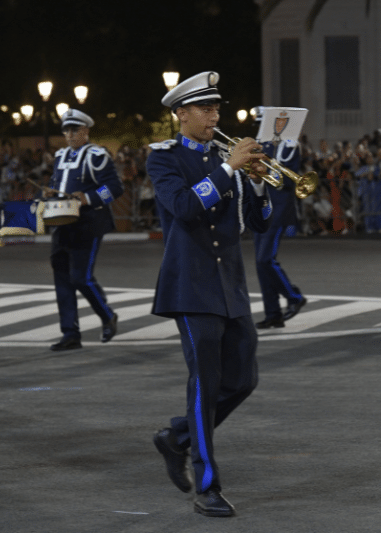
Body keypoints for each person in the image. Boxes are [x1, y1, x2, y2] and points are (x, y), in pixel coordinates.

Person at [146, 71, 271, 518]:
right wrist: (229, 168)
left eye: (216, 108)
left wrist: (257, 180)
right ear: (181, 114)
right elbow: (181, 208)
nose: (213, 116)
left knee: (245, 378)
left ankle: (176, 437)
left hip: (230, 285)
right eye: (204, 109)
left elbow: (258, 223)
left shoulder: (226, 159)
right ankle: (207, 484)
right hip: (191, 285)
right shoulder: (164, 158)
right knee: (206, 384)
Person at [43, 109, 124, 351]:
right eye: (66, 130)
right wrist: (50, 193)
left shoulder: (96, 155)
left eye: (74, 130)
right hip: (62, 225)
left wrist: (87, 198)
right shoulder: (60, 156)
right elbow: (59, 183)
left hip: (88, 225)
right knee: (62, 279)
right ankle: (70, 333)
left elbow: (116, 188)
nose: (69, 134)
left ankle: (107, 315)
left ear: (85, 131)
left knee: (81, 277)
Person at [251, 106, 307, 329]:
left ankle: (294, 296)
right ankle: (272, 312)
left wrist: (266, 170)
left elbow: (290, 181)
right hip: (259, 208)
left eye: (262, 124)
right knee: (260, 264)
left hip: (278, 209)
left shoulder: (289, 145)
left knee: (266, 259)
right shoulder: (259, 145)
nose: (259, 129)